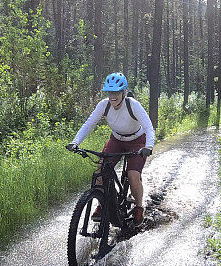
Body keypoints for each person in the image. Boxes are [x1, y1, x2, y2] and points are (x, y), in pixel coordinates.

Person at [66, 72, 155, 225]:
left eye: (116, 92)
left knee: (133, 175)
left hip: (137, 141)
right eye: (110, 92)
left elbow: (148, 127)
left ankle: (139, 207)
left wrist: (149, 146)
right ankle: (102, 203)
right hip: (116, 140)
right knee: (100, 170)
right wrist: (75, 142)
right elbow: (89, 124)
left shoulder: (132, 105)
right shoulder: (104, 105)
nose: (112, 96)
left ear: (123, 92)